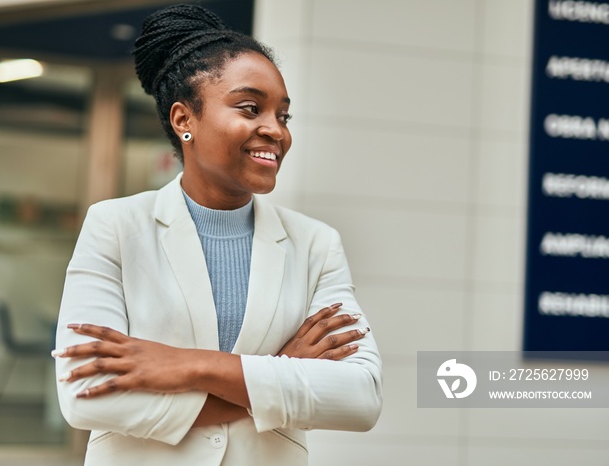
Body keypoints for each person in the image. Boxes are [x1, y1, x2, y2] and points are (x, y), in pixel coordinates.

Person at [52, 4, 382, 465]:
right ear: (184, 119)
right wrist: (282, 372)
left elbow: (360, 398)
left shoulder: (315, 244)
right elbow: (87, 396)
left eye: (283, 116)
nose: (275, 131)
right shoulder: (116, 226)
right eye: (251, 108)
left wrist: (190, 365)